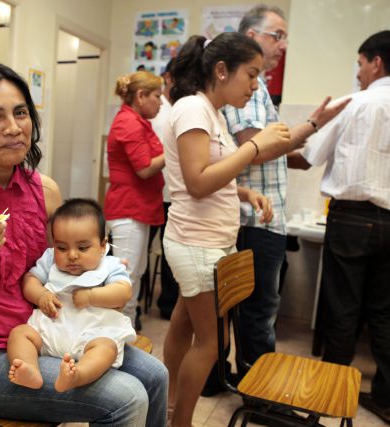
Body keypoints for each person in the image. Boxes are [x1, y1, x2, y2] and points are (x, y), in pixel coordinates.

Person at [0, 63, 167, 426]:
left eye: (21, 112)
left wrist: (100, 269)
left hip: (48, 333)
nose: (14, 127)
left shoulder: (45, 190)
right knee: (125, 398)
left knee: (155, 375)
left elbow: (64, 261)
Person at [295, 31, 390, 425]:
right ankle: (389, 400)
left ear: (376, 62)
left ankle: (329, 396)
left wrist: (264, 152)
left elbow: (311, 156)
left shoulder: (353, 104)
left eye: (360, 63)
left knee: (342, 310)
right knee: (384, 313)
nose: (358, 71)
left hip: (349, 219)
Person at [162, 32, 294, 427]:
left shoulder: (210, 112)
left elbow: (206, 172)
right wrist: (254, 148)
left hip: (209, 240)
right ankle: (180, 421)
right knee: (213, 341)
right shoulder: (192, 109)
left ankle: (167, 408)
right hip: (196, 242)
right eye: (251, 75)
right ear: (221, 70)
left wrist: (242, 191)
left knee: (185, 326)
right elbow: (197, 182)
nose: (255, 86)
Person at [218, 4, 350, 382]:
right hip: (252, 218)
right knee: (258, 310)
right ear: (250, 36)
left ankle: (232, 379)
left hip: (257, 215)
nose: (283, 45)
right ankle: (259, 392)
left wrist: (304, 155)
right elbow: (252, 144)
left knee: (245, 310)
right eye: (277, 35)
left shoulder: (255, 86)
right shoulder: (251, 85)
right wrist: (311, 125)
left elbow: (261, 149)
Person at [7, 198, 136, 393]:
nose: (72, 255)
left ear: (102, 246)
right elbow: (29, 281)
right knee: (19, 333)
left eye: (83, 248)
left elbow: (123, 292)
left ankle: (77, 376)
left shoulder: (109, 265)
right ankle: (29, 370)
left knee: (107, 348)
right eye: (62, 247)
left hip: (92, 334)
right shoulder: (50, 259)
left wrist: (92, 296)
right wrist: (41, 295)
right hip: (50, 330)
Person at [105, 71, 166, 331]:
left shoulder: (137, 121)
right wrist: (173, 150)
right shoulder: (128, 124)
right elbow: (144, 168)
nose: (161, 102)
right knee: (126, 279)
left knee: (135, 276)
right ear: (140, 96)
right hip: (128, 209)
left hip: (138, 207)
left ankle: (125, 334)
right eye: (157, 96)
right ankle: (115, 337)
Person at [148, 58, 179, 320]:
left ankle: (168, 304)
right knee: (140, 254)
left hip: (173, 194)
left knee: (170, 253)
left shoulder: (176, 108)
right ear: (168, 77)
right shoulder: (159, 111)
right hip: (156, 193)